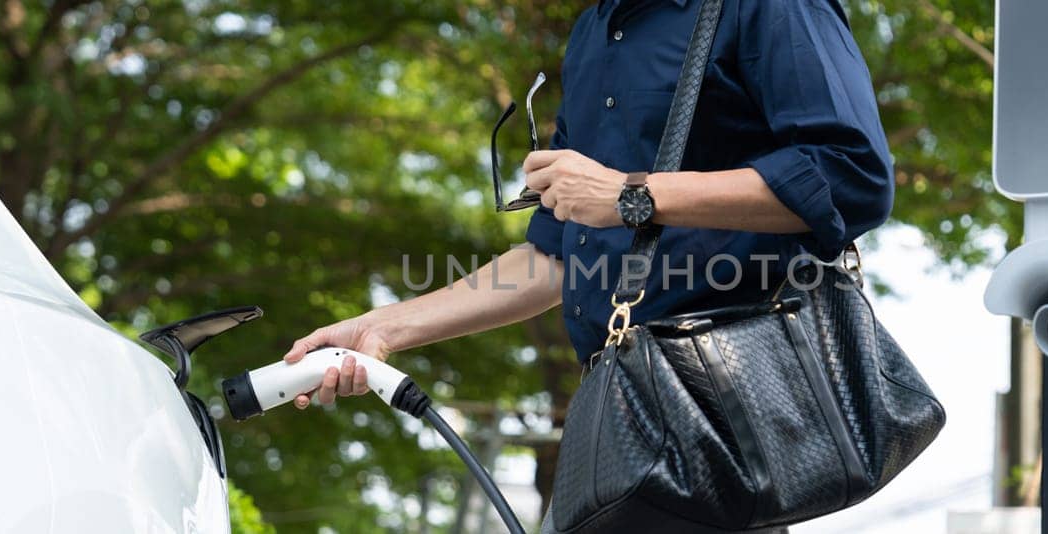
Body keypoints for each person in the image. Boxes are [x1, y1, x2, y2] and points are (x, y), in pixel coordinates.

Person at [283, 0, 893, 423]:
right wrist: (382, 329)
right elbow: (554, 256)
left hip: (737, 407)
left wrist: (633, 195)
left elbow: (851, 176)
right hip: (618, 408)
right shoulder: (592, 34)